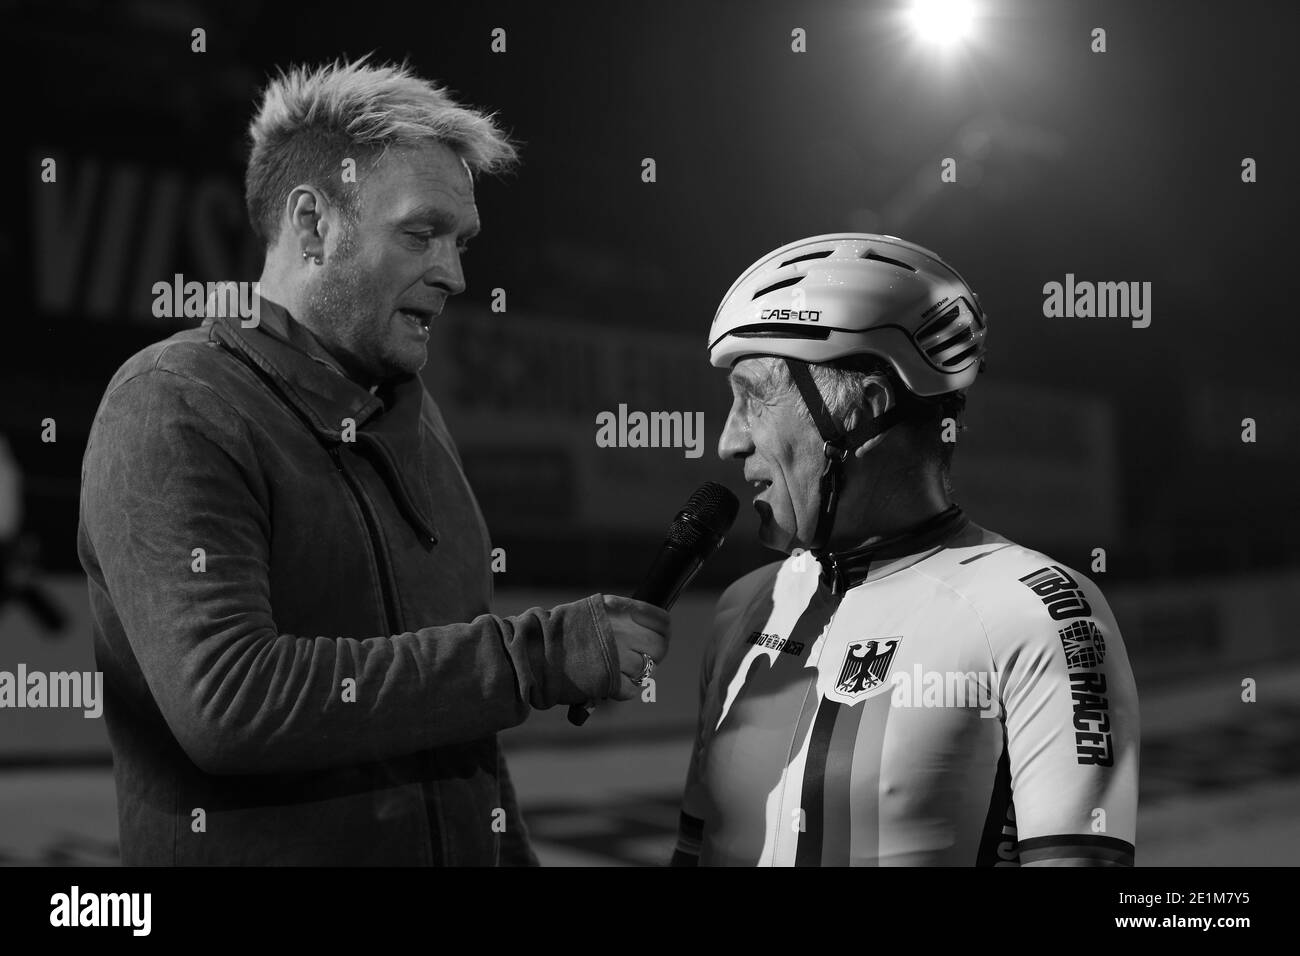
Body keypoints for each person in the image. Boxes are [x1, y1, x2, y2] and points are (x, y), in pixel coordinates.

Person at [76, 57, 668, 866]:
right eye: (422, 233)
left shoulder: (422, 428)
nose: (455, 274)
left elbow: (466, 743)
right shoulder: (173, 401)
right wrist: (531, 657)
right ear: (314, 225)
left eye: (462, 242)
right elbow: (228, 701)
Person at [672, 233, 1138, 866]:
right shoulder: (744, 606)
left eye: (754, 398)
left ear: (865, 409)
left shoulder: (1039, 612)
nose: (728, 441)